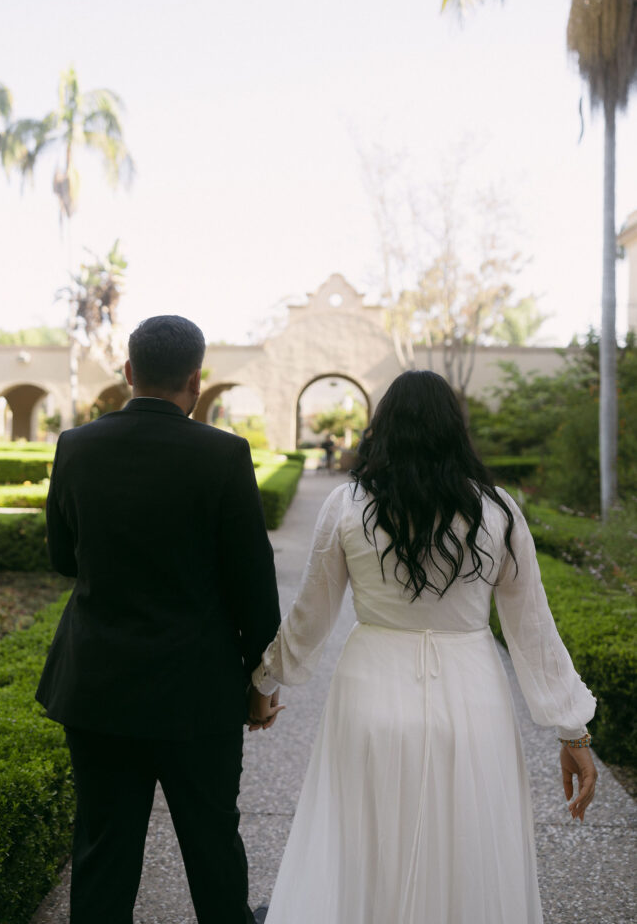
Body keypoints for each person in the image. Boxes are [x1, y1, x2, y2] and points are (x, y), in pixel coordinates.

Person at [249, 370, 597, 924]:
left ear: (381, 428)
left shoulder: (347, 505)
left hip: (370, 692)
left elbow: (308, 619)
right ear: (455, 430)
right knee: (465, 841)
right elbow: (533, 628)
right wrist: (573, 730)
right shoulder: (498, 509)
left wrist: (262, 685)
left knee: (363, 840)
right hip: (472, 693)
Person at [36, 314, 281, 924]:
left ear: (127, 373)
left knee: (102, 846)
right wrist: (261, 680)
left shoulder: (75, 446)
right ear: (195, 382)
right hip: (198, 689)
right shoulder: (225, 454)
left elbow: (63, 559)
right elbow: (254, 581)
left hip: (98, 684)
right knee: (213, 842)